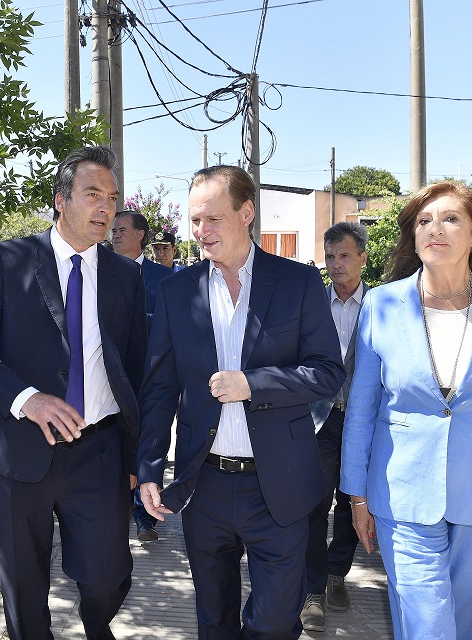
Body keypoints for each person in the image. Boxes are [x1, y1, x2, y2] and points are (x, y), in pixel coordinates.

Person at [340, 181, 472, 640]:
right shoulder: (382, 304)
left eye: (450, 218)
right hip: (402, 496)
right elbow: (362, 409)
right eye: (424, 221)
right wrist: (357, 496)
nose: (435, 228)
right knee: (427, 627)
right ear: (414, 236)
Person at [137, 165, 344, 640]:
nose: (200, 231)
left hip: (280, 485)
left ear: (246, 213)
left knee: (274, 623)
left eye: (213, 218)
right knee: (214, 620)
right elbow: (160, 388)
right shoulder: (176, 291)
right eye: (194, 220)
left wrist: (254, 384)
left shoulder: (297, 282)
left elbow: (327, 372)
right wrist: (149, 467)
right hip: (204, 485)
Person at [0, 146, 147, 639]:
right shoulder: (8, 260)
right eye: (92, 195)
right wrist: (27, 399)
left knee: (108, 574)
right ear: (61, 200)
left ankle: (96, 625)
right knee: (22, 582)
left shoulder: (125, 276)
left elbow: (134, 371)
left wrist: (134, 458)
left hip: (98, 450)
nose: (105, 208)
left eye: (112, 198)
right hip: (18, 447)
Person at [301, 222, 370, 632]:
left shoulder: (381, 307)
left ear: (363, 257)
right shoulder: (312, 304)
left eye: (344, 255)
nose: (336, 264)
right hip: (319, 421)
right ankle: (312, 590)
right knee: (314, 504)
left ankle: (335, 573)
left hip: (362, 423)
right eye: (330, 256)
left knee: (352, 502)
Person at [111, 209, 172, 543]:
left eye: (122, 229)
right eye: (114, 230)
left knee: (147, 442)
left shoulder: (162, 278)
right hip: (109, 376)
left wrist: (135, 319)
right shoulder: (98, 270)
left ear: (140, 235)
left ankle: (145, 514)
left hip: (148, 376)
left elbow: (166, 325)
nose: (115, 234)